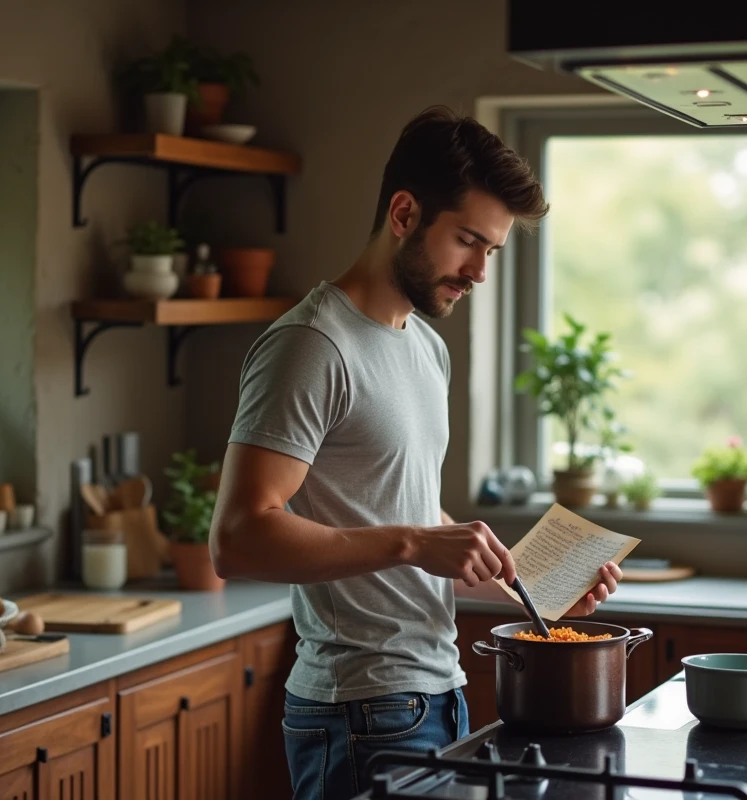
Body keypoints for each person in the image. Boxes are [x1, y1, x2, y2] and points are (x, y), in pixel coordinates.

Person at [209, 105, 624, 800]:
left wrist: (539, 593)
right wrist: (410, 543)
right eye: (468, 241)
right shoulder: (312, 346)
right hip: (359, 710)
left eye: (492, 250)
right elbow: (240, 538)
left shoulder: (425, 348)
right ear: (404, 213)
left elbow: (412, 522)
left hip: (437, 695)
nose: (480, 272)